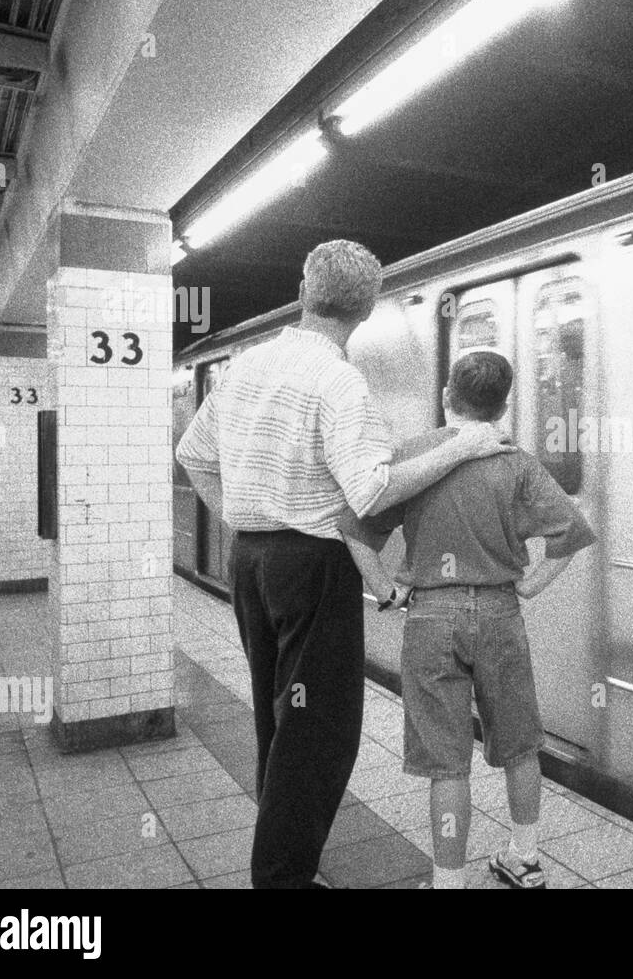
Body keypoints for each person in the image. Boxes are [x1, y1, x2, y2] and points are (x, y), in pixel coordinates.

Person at [175, 241, 513, 889]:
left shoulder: (246, 366)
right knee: (320, 735)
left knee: (279, 717)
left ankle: (283, 862)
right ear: (364, 309)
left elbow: (194, 455)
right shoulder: (338, 379)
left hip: (250, 561)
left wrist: (241, 519)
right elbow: (372, 492)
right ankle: (282, 878)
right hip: (311, 564)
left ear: (304, 291)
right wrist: (461, 447)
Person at [340, 350, 596, 890]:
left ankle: (448, 881)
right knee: (520, 744)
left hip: (431, 617)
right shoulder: (516, 461)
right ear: (503, 406)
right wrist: (528, 584)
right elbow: (570, 535)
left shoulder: (413, 456)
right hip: (500, 611)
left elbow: (354, 530)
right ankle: (523, 860)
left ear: (446, 398)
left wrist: (385, 593)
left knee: (446, 761)